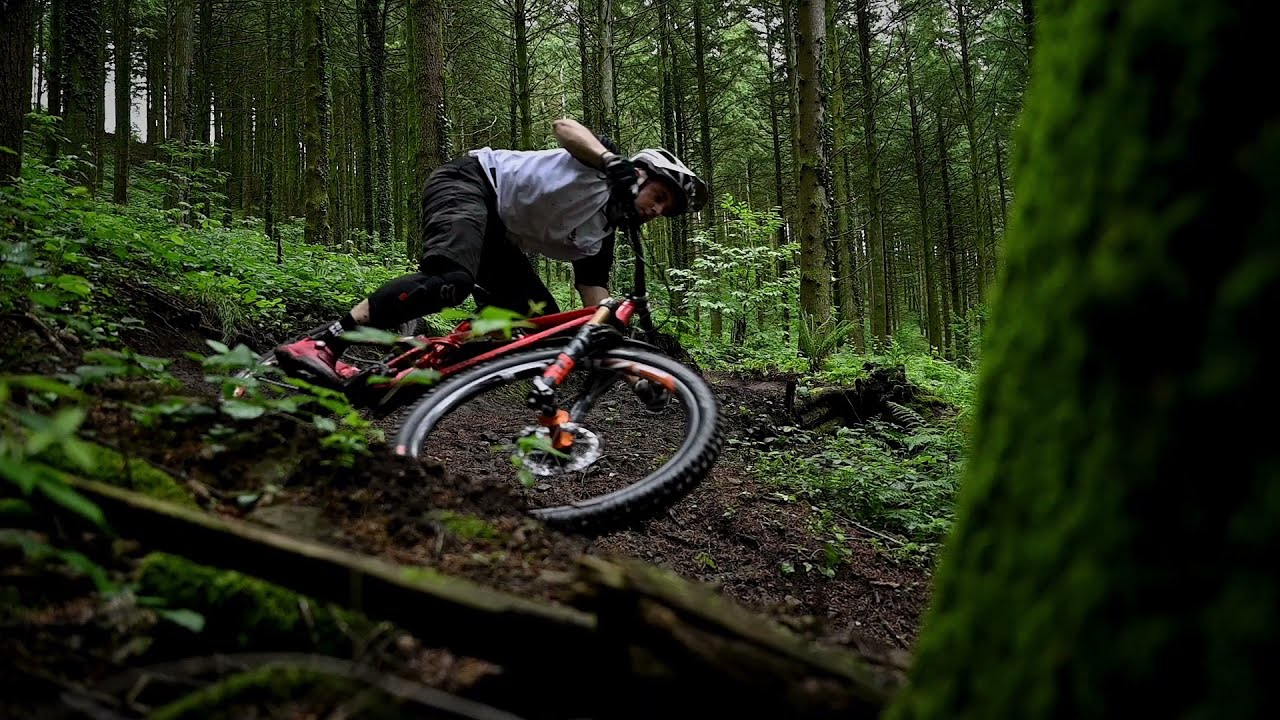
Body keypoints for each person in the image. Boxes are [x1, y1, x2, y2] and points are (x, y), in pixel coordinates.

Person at [273, 117, 708, 385]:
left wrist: (635, 375)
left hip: (498, 233)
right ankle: (321, 344)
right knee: (450, 281)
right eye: (659, 194)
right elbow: (564, 127)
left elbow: (596, 310)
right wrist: (609, 161)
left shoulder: (600, 237)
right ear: (640, 172)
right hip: (470, 181)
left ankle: (421, 358)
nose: (656, 209)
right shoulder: (599, 164)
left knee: (542, 324)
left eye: (666, 208)